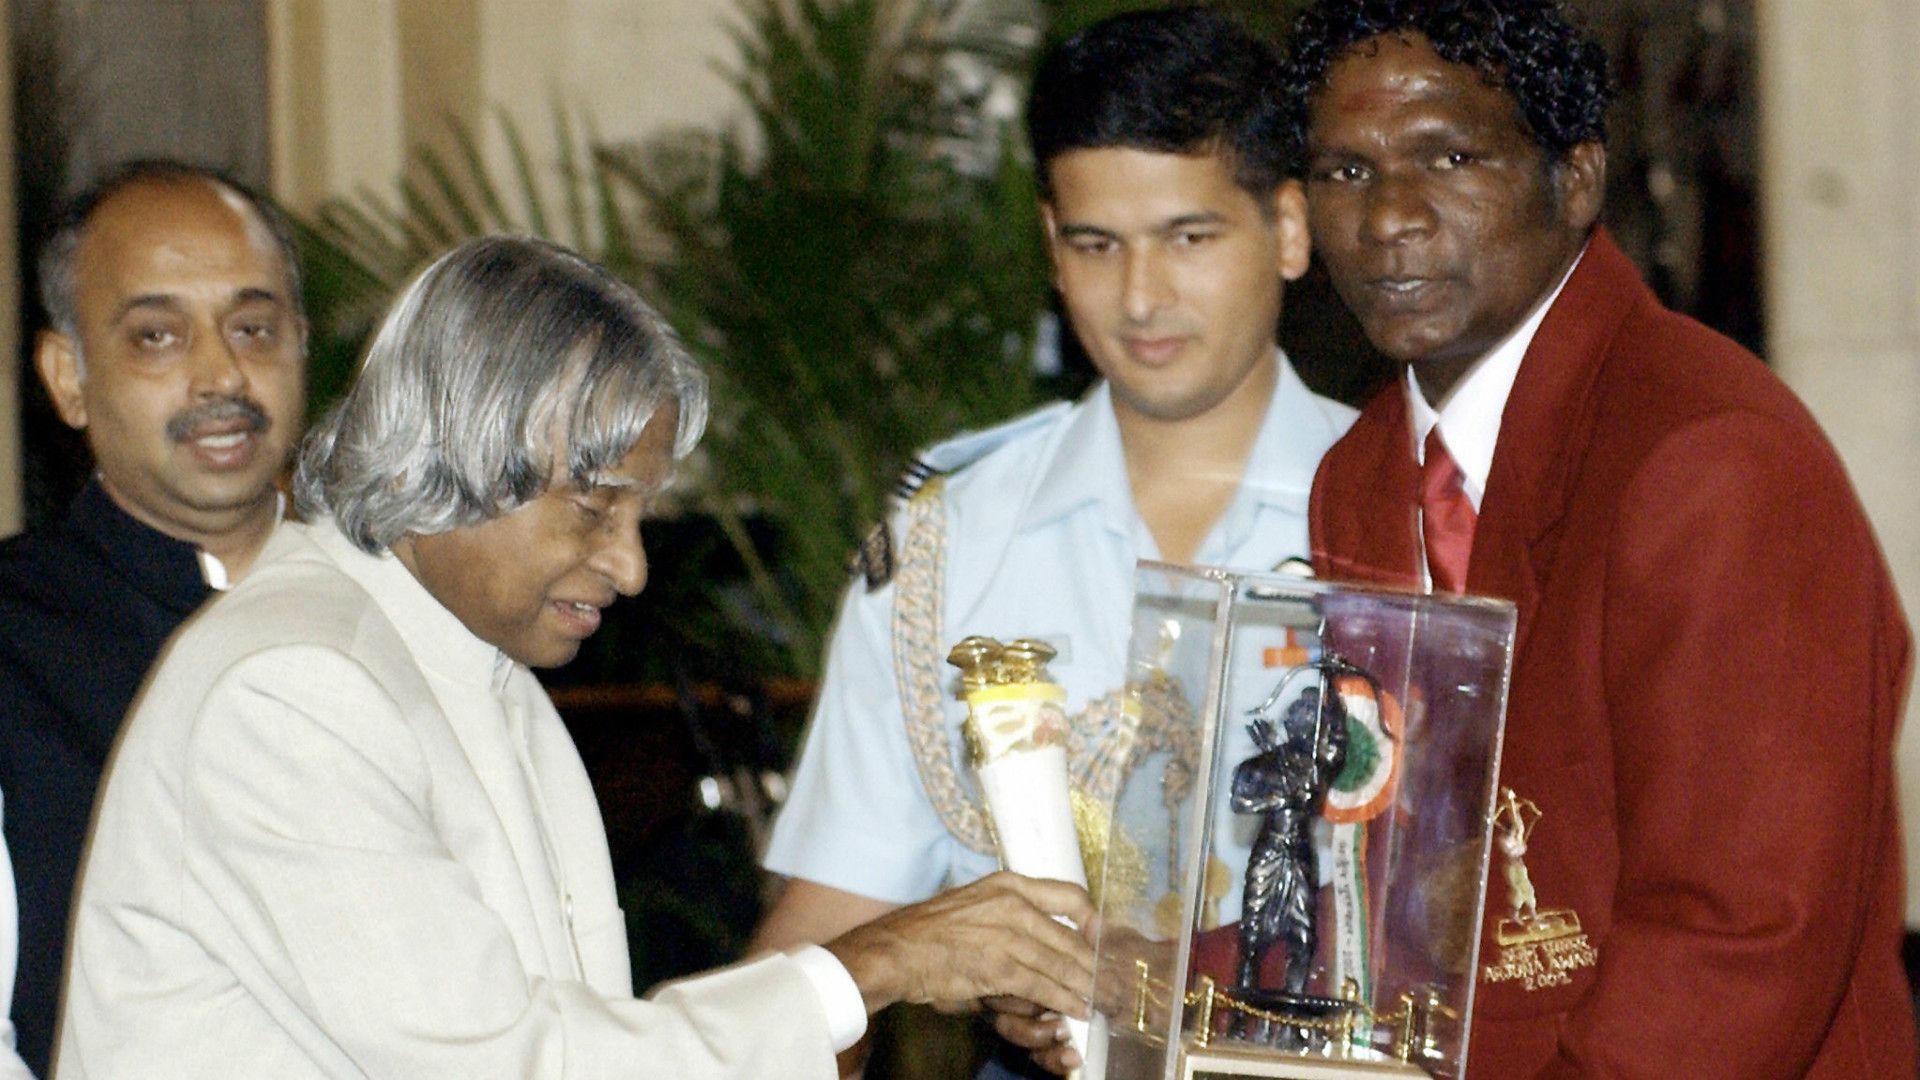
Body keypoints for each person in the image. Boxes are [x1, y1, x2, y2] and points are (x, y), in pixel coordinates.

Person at [55, 236, 1097, 1079]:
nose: (632, 566)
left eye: (640, 513)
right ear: (451, 461)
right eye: (596, 506)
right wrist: (868, 967)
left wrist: (871, 1000)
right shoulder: (291, 687)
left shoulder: (472, 665)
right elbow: (517, 1067)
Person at [1284, 1, 1914, 1075]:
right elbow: (1379, 858)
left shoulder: (1708, 455)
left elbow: (1736, 941)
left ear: (1575, 182)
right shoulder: (1362, 473)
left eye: (1449, 155)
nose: (1389, 216)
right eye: (1347, 171)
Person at [754, 8, 1355, 1075]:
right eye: (1096, 245)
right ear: (1050, 246)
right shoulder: (947, 550)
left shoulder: (1404, 518)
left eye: (1190, 238)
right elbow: (825, 954)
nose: (1140, 298)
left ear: (1292, 228)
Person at [0, 159, 307, 1075]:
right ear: (69, 376)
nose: (222, 373)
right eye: (158, 337)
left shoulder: (396, 613)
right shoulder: (13, 638)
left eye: (253, 328)